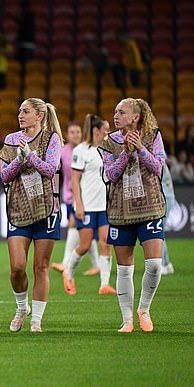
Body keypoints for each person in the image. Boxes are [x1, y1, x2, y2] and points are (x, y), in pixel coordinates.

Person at [0, 98, 63, 333]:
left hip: (46, 209)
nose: (20, 115)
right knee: (17, 267)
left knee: (41, 267)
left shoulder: (51, 139)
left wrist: (31, 156)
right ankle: (21, 307)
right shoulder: (11, 139)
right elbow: (4, 176)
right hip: (19, 208)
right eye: (19, 111)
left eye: (25, 112)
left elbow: (51, 169)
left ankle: (36, 320)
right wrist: (19, 159)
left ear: (39, 116)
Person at [100, 98, 166, 333]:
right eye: (115, 111)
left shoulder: (152, 136)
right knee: (124, 269)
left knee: (155, 265)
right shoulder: (109, 142)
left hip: (150, 208)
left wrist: (140, 149)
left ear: (135, 117)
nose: (115, 116)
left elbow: (158, 168)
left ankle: (144, 309)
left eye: (121, 112)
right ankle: (127, 319)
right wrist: (126, 154)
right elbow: (110, 175)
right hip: (121, 211)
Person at [62, 114, 116, 295]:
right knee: (84, 246)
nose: (108, 133)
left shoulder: (108, 149)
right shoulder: (81, 151)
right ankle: (68, 273)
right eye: (105, 130)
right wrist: (78, 204)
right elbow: (74, 181)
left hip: (105, 206)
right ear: (96, 131)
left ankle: (104, 284)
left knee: (105, 243)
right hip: (87, 206)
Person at [51, 123, 100, 276]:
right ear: (67, 134)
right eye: (72, 132)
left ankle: (66, 263)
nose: (75, 135)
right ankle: (96, 264)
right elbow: (57, 172)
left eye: (78, 131)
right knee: (85, 230)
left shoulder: (88, 150)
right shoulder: (63, 152)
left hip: (86, 196)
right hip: (69, 196)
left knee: (75, 224)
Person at [160, 163, 175, 275]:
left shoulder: (155, 156)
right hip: (169, 195)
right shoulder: (161, 155)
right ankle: (166, 263)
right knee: (160, 230)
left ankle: (162, 263)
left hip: (163, 196)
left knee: (157, 231)